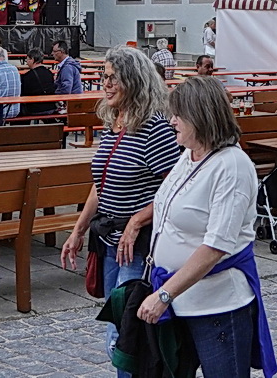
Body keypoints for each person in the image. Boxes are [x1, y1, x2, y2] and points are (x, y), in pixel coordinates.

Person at [127, 75, 275, 378]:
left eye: (178, 114)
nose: (172, 121)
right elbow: (165, 206)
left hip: (217, 305)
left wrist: (164, 294)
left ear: (201, 116)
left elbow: (215, 247)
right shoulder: (189, 155)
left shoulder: (232, 166)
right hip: (180, 301)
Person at [60, 46, 181, 378]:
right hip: (110, 243)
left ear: (134, 81)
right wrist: (78, 229)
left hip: (139, 247)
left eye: (113, 78)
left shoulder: (153, 129)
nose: (106, 84)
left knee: (126, 334)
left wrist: (137, 221)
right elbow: (102, 184)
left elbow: (177, 190)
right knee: (116, 326)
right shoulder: (114, 123)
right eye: (104, 76)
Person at [19, 50, 57, 116]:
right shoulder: (49, 73)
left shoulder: (27, 76)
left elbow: (22, 93)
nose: (26, 62)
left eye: (27, 60)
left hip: (34, 109)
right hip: (50, 107)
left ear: (32, 60)